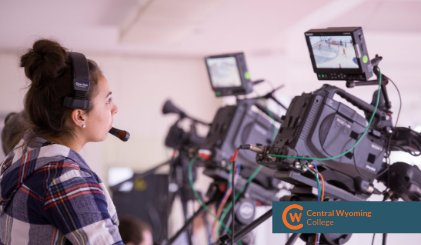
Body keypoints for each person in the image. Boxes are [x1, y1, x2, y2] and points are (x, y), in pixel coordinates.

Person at [0, 39, 123, 244]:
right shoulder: (65, 178)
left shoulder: (24, 154)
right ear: (79, 116)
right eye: (107, 100)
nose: (115, 108)